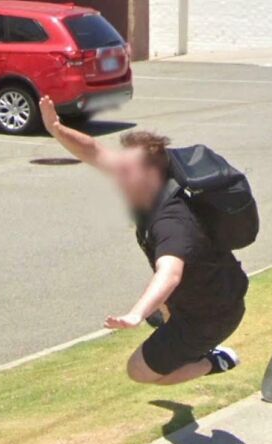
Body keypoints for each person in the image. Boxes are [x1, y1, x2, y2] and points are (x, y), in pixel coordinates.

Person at [39, 96, 249, 388]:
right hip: (212, 286)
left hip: (211, 315)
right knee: (162, 308)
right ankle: (168, 318)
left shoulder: (171, 223)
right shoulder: (153, 186)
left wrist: (136, 313)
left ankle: (213, 360)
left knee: (139, 371)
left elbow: (170, 274)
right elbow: (95, 150)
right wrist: (56, 128)